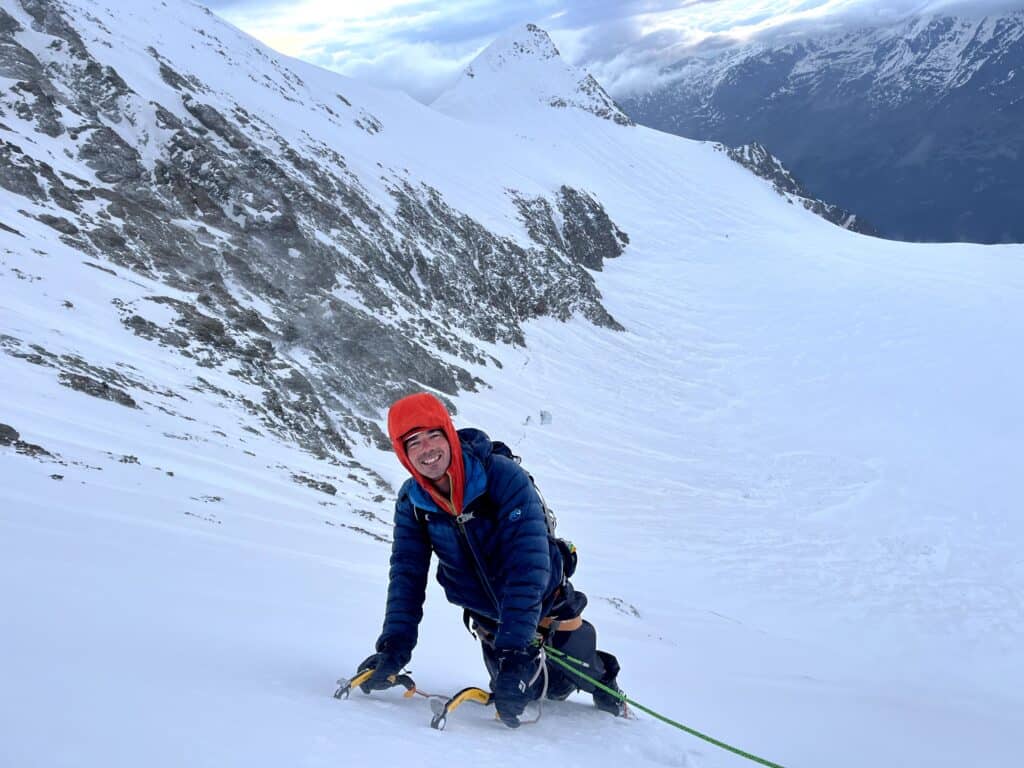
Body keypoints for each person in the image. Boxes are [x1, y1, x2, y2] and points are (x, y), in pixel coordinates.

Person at [357, 391, 624, 727]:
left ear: (449, 435)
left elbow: (528, 568)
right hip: (489, 617)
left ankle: (605, 685)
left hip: (543, 598)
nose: (427, 449)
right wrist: (393, 649)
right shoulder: (412, 502)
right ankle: (537, 667)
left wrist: (515, 653)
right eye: (414, 442)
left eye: (433, 435)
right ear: (403, 453)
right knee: (528, 693)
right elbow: (406, 577)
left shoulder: (501, 477)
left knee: (574, 670)